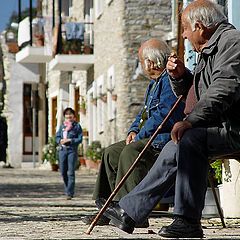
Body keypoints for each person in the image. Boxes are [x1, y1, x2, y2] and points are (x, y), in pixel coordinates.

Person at [99, 0, 240, 238]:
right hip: (221, 126)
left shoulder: (232, 43)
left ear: (199, 26)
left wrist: (192, 120)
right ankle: (130, 212)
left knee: (190, 139)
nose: (183, 35)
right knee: (176, 145)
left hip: (233, 128)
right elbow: (199, 92)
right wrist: (181, 76)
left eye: (185, 28)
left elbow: (223, 88)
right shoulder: (210, 48)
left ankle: (187, 220)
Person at [82, 39, 185, 225]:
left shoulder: (169, 81)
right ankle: (107, 206)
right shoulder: (152, 85)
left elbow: (164, 115)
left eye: (141, 61)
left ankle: (132, 212)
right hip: (147, 136)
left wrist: (141, 134)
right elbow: (143, 113)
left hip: (162, 139)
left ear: (150, 62)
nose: (141, 66)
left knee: (130, 151)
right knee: (110, 152)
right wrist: (133, 129)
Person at [56, 107, 82, 200]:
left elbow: (80, 139)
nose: (69, 119)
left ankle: (69, 193)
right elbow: (57, 137)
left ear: (74, 117)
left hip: (72, 150)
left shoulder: (77, 126)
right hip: (62, 150)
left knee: (71, 172)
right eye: (67, 117)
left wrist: (70, 140)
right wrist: (60, 140)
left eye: (70, 117)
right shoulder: (62, 127)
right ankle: (67, 188)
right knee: (63, 171)